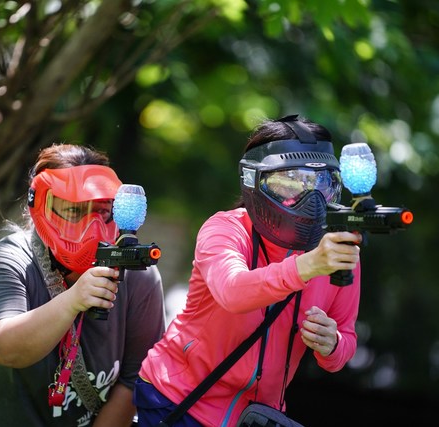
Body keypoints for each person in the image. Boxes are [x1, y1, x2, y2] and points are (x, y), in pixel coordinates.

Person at [133, 114, 362, 426]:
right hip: (177, 398)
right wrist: (308, 265)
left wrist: (331, 344)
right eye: (290, 182)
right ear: (254, 180)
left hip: (257, 418)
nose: (310, 199)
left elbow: (346, 338)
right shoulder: (225, 229)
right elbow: (233, 290)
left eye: (322, 184)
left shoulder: (337, 252)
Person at [0, 143, 166, 427]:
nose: (93, 227)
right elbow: (3, 347)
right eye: (75, 212)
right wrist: (74, 300)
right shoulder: (7, 260)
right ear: (42, 208)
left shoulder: (137, 277)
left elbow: (133, 380)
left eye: (103, 211)